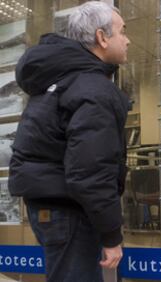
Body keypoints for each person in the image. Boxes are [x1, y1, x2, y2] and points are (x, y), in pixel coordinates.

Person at [8, 1, 130, 281]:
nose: (127, 39)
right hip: (70, 211)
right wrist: (112, 236)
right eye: (122, 31)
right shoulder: (93, 89)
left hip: (52, 207)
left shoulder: (61, 80)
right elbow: (91, 170)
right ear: (102, 37)